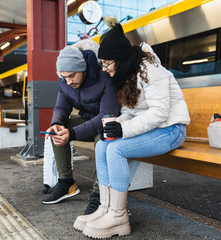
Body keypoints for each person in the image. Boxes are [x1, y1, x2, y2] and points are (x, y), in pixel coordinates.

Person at [73, 22, 190, 238]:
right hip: (153, 129)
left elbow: (159, 113)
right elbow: (131, 112)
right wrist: (117, 123)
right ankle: (105, 208)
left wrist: (123, 130)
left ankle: (118, 216)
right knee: (102, 146)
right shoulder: (124, 75)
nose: (104, 68)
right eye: (102, 63)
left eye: (107, 63)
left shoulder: (150, 70)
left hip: (171, 129)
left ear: (120, 59)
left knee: (116, 149)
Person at [41, 40, 121, 216]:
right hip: (88, 121)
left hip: (109, 123)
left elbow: (107, 116)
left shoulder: (104, 77)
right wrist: (56, 123)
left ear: (83, 68)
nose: (68, 82)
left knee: (105, 137)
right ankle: (66, 182)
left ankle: (99, 193)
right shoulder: (64, 82)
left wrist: (73, 133)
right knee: (58, 129)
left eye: (72, 76)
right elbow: (61, 108)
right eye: (64, 77)